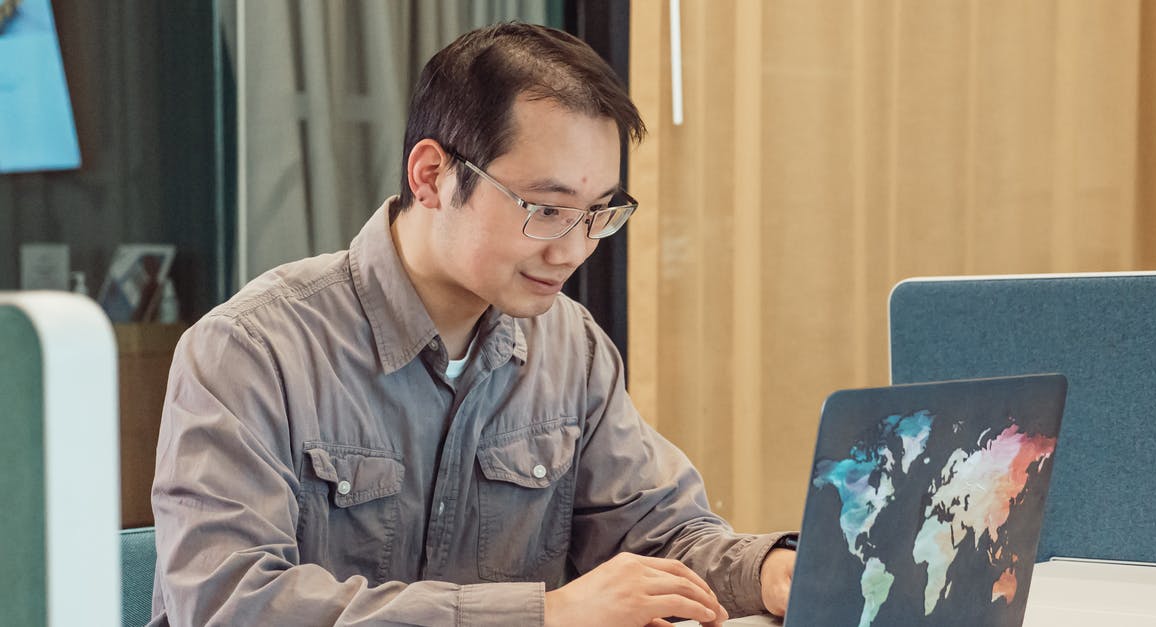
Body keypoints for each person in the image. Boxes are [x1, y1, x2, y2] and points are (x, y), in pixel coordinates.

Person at [150, 22, 796, 626]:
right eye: (545, 208)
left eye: (600, 212)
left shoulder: (571, 346)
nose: (572, 249)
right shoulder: (251, 349)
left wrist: (771, 571)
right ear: (431, 176)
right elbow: (228, 601)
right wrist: (544, 613)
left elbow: (659, 532)